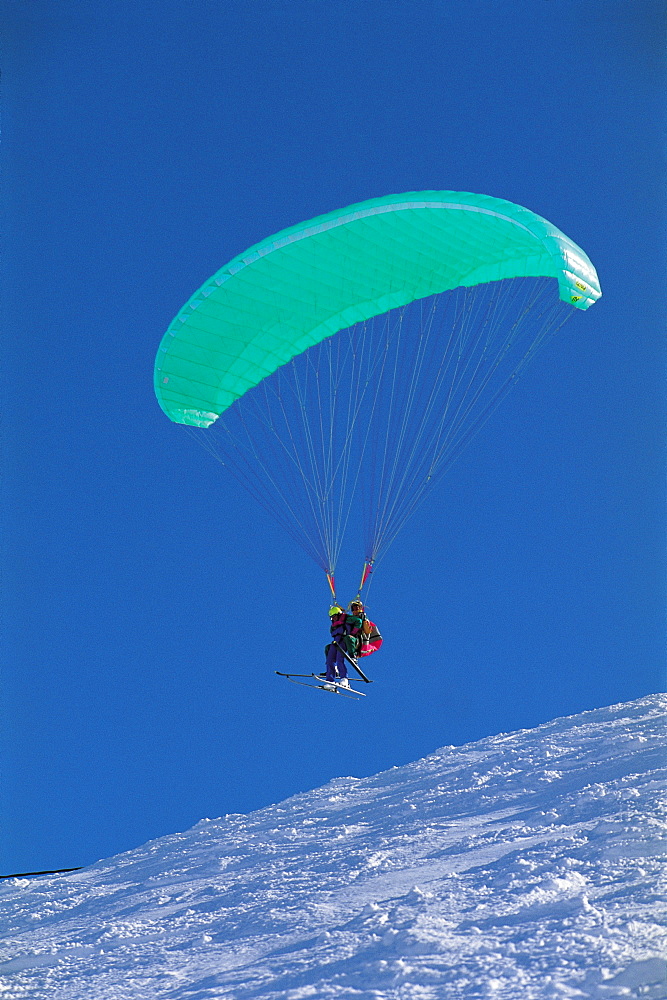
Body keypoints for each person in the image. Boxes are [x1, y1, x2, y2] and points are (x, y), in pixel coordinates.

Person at [324, 603, 363, 689]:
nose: (333, 619)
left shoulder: (347, 619)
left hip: (344, 641)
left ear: (339, 614)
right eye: (331, 617)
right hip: (336, 642)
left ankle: (344, 679)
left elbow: (358, 621)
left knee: (339, 659)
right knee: (330, 660)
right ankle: (330, 681)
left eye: (334, 616)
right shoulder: (333, 625)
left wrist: (353, 633)